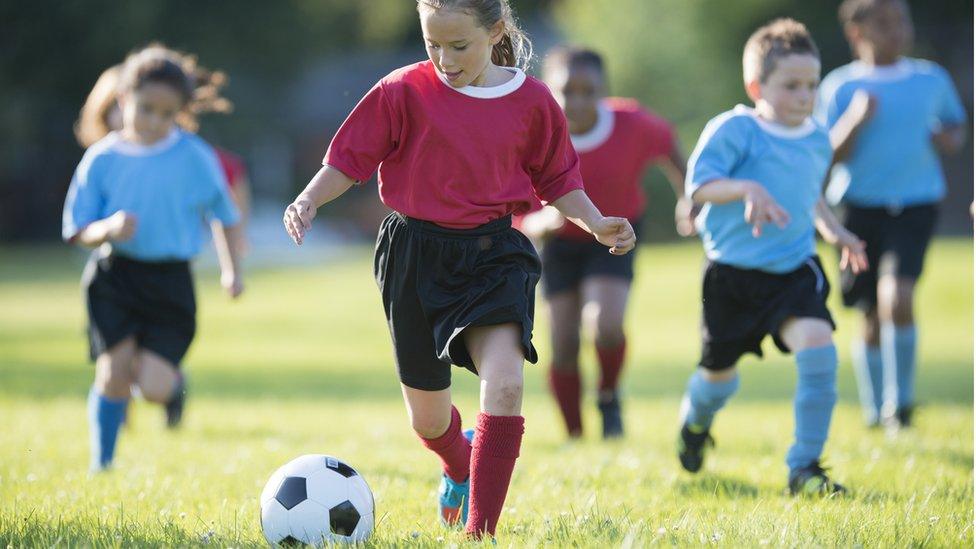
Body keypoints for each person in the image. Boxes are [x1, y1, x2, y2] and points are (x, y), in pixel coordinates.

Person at [283, 0, 634, 538]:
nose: (444, 60)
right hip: (413, 256)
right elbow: (348, 159)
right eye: (432, 45)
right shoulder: (401, 90)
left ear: (495, 32)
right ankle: (457, 461)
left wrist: (595, 222)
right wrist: (308, 200)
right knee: (427, 420)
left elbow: (559, 179)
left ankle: (481, 531)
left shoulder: (534, 101)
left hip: (494, 256)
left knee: (506, 385)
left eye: (459, 46)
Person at [675, 19, 868, 496]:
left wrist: (838, 232)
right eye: (791, 86)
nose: (805, 96)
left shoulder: (817, 138)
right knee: (718, 381)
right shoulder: (735, 129)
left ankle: (805, 468)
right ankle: (694, 424)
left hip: (792, 272)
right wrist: (746, 187)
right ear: (757, 85)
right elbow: (699, 187)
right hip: (732, 277)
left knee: (820, 349)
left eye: (811, 85)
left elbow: (810, 198)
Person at [62, 44, 244, 472]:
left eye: (167, 114)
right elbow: (77, 227)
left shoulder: (194, 157)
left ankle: (173, 384)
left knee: (153, 388)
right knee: (112, 375)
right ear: (123, 99)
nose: (155, 122)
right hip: (115, 277)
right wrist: (106, 228)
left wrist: (231, 270)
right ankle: (101, 464)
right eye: (146, 109)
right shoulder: (101, 159)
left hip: (170, 282)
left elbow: (224, 215)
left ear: (180, 111)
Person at [519, 46, 693, 440]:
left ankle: (609, 395)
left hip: (616, 235)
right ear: (549, 91)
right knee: (562, 343)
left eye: (588, 90)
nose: (577, 101)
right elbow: (509, 208)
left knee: (606, 324)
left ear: (603, 90)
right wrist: (535, 222)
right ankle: (576, 435)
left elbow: (670, 145)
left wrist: (687, 197)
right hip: (558, 244)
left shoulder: (632, 123)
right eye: (567, 91)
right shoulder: (534, 135)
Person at [816, 0, 967, 429]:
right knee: (868, 312)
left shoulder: (929, 78)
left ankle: (899, 406)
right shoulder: (839, 87)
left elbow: (955, 127)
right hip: (857, 208)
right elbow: (825, 156)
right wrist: (855, 119)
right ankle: (874, 409)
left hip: (916, 203)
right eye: (884, 24)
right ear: (856, 33)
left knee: (897, 297)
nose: (897, 31)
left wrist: (948, 138)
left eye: (902, 21)